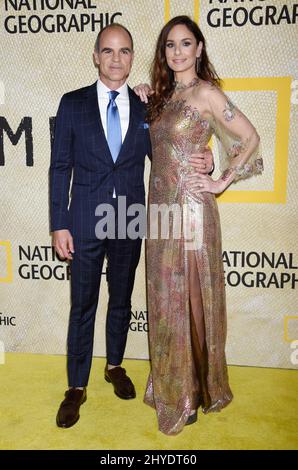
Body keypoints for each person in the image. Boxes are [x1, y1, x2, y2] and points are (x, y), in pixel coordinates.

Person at [49, 23, 213, 428]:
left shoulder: (149, 106)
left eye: (124, 51)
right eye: (108, 51)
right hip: (84, 222)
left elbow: (177, 143)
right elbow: (59, 169)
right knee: (83, 305)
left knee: (121, 300)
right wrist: (59, 225)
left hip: (130, 220)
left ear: (132, 56)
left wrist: (207, 158)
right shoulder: (72, 103)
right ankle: (76, 387)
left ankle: (115, 365)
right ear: (95, 56)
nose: (116, 59)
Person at [135, 16, 263, 435]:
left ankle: (194, 392)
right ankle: (172, 383)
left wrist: (220, 178)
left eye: (185, 44)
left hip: (191, 207)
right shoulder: (159, 96)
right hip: (160, 212)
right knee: (164, 298)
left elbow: (249, 137)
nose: (177, 52)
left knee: (190, 297)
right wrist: (140, 93)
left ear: (199, 48)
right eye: (170, 45)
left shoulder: (207, 93)